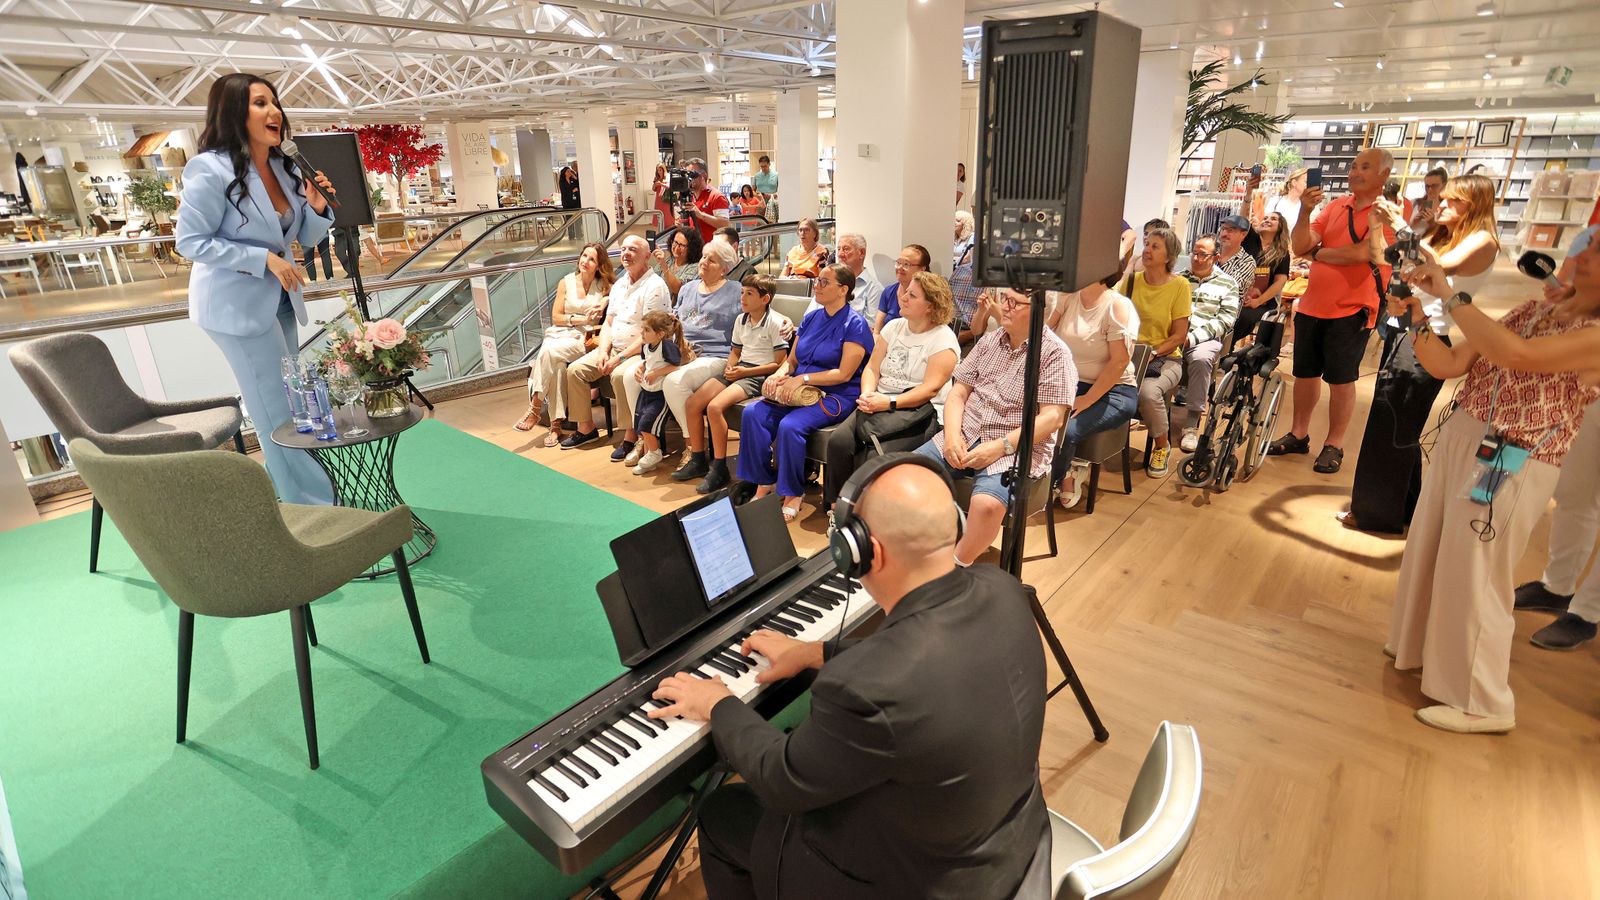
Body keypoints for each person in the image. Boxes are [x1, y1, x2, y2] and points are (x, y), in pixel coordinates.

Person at [652, 456, 1046, 899]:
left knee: (722, 810)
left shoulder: (868, 686)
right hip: (1010, 845)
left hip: (917, 884)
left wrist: (717, 703)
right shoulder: (1003, 588)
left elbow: (781, 780)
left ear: (863, 552)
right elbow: (929, 664)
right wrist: (815, 651)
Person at [1386, 242, 1600, 734]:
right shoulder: (1537, 308)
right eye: (1589, 244)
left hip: (1515, 453)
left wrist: (1450, 294)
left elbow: (1516, 355)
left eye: (1598, 250)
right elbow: (1450, 363)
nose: (1584, 253)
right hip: (1466, 436)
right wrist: (1418, 317)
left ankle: (1484, 702)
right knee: (1435, 549)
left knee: (1477, 570)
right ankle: (1420, 650)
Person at [178, 73, 337, 506]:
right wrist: (262, 259)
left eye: (275, 102)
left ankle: (300, 494)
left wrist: (316, 206)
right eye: (260, 103)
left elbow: (303, 236)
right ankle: (311, 505)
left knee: (292, 400)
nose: (274, 112)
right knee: (274, 407)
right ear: (234, 113)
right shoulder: (209, 169)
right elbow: (190, 242)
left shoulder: (284, 166)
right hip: (235, 305)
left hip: (281, 298)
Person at [1342, 173, 1500, 535]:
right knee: (1397, 423)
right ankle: (1401, 507)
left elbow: (1438, 268)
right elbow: (1393, 259)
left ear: (1473, 204)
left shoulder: (1482, 240)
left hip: (1428, 336)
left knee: (1392, 424)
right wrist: (1382, 226)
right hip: (1408, 329)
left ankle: (1375, 514)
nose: (1441, 204)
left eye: (1452, 200)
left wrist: (1401, 224)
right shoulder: (1440, 235)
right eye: (1443, 198)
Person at [915, 289, 1075, 566]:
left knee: (987, 504)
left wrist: (1001, 446)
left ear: (1039, 310)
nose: (1005, 307)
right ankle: (917, 547)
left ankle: (956, 566)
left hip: (1015, 443)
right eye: (1005, 299)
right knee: (906, 472)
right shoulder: (991, 340)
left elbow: (1052, 418)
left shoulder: (1054, 353)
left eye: (1014, 302)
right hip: (967, 431)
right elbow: (958, 393)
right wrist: (951, 435)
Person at [1269, 148, 1397, 475]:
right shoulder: (1336, 206)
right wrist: (1305, 211)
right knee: (1305, 374)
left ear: (1384, 175)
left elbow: (1364, 253)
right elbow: (1300, 246)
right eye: (1353, 166)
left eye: (1364, 167)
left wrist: (1319, 253)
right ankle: (1298, 434)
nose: (1355, 172)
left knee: (1341, 379)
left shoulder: (1390, 211)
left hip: (1353, 308)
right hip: (1313, 304)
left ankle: (1335, 443)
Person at [737, 264, 872, 522]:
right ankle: (764, 482)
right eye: (817, 281)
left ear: (843, 289)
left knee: (790, 425)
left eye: (824, 282)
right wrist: (779, 375)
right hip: (798, 387)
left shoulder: (855, 324)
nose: (817, 286)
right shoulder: (811, 318)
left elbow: (844, 374)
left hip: (836, 394)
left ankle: (792, 493)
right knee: (753, 413)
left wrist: (802, 378)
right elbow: (792, 360)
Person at [823, 271, 961, 509]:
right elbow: (872, 368)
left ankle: (865, 514)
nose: (903, 298)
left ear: (930, 306)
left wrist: (888, 402)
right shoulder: (894, 327)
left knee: (875, 456)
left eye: (912, 296)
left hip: (918, 412)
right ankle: (838, 507)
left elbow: (930, 390)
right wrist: (867, 393)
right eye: (905, 292)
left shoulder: (943, 340)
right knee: (838, 442)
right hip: (878, 402)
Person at [634, 239, 742, 476]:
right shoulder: (687, 289)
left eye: (711, 260)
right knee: (635, 376)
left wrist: (785, 322)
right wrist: (648, 360)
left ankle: (693, 448)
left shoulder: (735, 291)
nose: (704, 262)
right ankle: (646, 439)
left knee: (674, 382)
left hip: (715, 354)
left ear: (724, 268)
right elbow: (670, 326)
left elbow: (758, 313)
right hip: (682, 353)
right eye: (703, 257)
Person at [561, 235, 672, 453]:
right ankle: (586, 428)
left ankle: (630, 434)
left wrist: (618, 359)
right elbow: (609, 322)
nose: (626, 254)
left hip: (643, 352)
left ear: (647, 256)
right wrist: (604, 351)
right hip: (614, 348)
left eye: (633, 250)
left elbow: (650, 335)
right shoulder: (620, 284)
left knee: (619, 375)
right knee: (575, 370)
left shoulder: (655, 286)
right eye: (623, 249)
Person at [1046, 272, 1140, 508]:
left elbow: (1119, 362)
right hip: (1070, 383)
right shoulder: (1069, 297)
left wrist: (1087, 399)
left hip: (1114, 391)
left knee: (1066, 429)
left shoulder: (1118, 306)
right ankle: (1042, 474)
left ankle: (1058, 478)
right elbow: (1045, 334)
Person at [691, 275, 790, 495]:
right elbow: (735, 351)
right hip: (740, 369)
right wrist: (731, 367)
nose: (742, 298)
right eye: (742, 292)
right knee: (694, 402)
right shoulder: (741, 319)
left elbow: (778, 363)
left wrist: (744, 372)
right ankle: (696, 458)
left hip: (757, 374)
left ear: (765, 299)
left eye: (749, 294)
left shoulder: (775, 322)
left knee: (714, 407)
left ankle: (719, 467)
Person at [513, 241, 615, 444]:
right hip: (560, 334)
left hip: (585, 339)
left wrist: (605, 300)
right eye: (584, 256)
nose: (585, 261)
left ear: (598, 265)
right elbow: (556, 317)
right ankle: (556, 426)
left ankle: (535, 407)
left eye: (592, 259)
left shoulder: (604, 285)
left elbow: (620, 292)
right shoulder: (566, 282)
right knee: (557, 365)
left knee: (548, 352)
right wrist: (581, 319)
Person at [1126, 228, 1192, 476]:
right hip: (1128, 355)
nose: (1147, 250)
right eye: (1147, 244)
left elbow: (1179, 336)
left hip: (1165, 358)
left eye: (1155, 246)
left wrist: (1152, 353)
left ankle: (1162, 446)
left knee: (1148, 392)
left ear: (1169, 256)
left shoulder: (1180, 286)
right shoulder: (1131, 281)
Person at [1174, 234, 1242, 453]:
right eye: (1194, 253)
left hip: (1204, 337)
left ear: (1216, 257)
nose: (1196, 258)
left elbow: (1226, 320)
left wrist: (1191, 338)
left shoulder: (1228, 284)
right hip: (1175, 334)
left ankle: (1191, 425)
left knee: (1201, 359)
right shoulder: (1179, 279)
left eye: (1202, 254)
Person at [628, 310, 692, 475]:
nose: (642, 333)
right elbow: (647, 362)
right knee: (639, 424)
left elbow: (676, 366)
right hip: (646, 392)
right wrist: (641, 368)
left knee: (647, 424)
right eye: (642, 329)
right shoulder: (646, 346)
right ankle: (650, 458)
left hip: (659, 395)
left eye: (646, 330)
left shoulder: (667, 347)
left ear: (660, 334)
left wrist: (657, 373)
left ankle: (655, 453)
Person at [1234, 211, 1291, 345]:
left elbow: (1280, 282)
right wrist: (1247, 199)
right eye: (1265, 218)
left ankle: (1226, 347)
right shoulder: (1250, 240)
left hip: (1263, 301)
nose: (1267, 220)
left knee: (1244, 317)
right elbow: (1241, 219)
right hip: (1238, 294)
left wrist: (1258, 301)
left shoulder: (1282, 253)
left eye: (1273, 219)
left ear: (1280, 226)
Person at [874, 244, 931, 333]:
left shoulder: (928, 297)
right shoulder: (888, 292)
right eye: (898, 262)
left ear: (922, 269)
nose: (900, 267)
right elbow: (877, 331)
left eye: (906, 264)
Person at [829, 233, 881, 319]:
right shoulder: (828, 281)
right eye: (838, 249)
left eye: (846, 249)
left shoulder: (874, 288)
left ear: (861, 253)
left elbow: (871, 325)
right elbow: (810, 315)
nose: (840, 254)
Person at [682, 157, 731, 244]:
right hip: (696, 248)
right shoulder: (690, 198)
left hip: (713, 249)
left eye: (692, 174)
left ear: (703, 176)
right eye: (687, 175)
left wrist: (701, 215)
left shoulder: (717, 196)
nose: (689, 179)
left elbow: (725, 224)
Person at [651, 227, 702, 299]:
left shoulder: (696, 267)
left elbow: (678, 289)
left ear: (692, 248)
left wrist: (663, 264)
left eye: (682, 245)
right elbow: (651, 278)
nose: (677, 248)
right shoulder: (669, 261)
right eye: (675, 242)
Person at [1266, 168, 1307, 232]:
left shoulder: (1307, 207)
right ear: (1294, 182)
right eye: (1306, 182)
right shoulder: (1275, 201)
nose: (1307, 185)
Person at [1409, 167, 1448, 235]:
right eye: (1427, 186)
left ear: (1444, 185)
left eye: (1434, 186)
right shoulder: (1414, 203)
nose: (1430, 190)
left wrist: (1432, 223)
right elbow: (1400, 227)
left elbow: (1446, 233)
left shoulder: (1447, 208)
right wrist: (1413, 222)